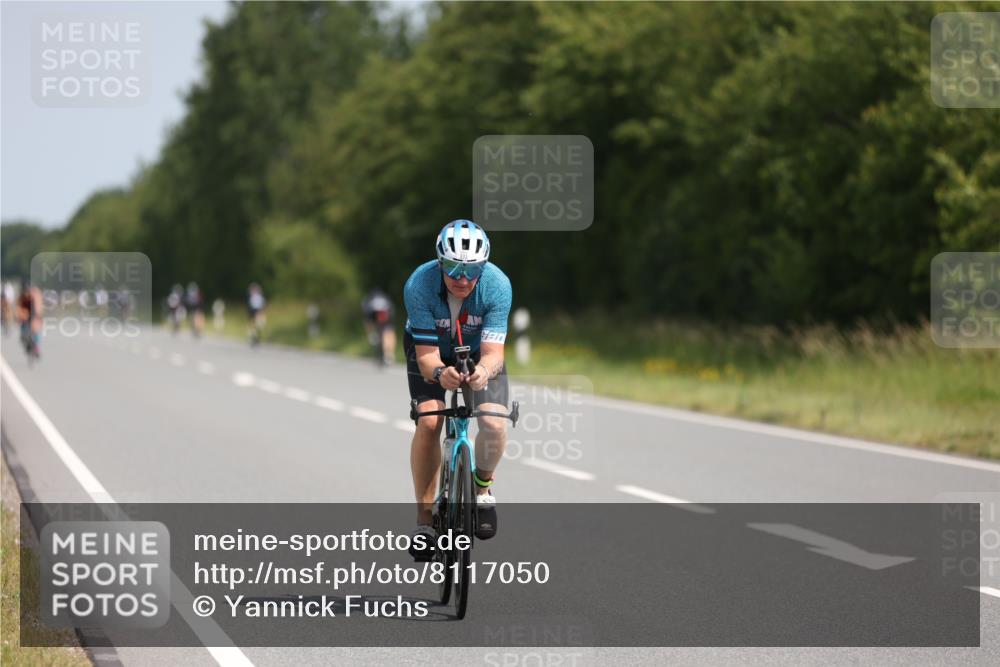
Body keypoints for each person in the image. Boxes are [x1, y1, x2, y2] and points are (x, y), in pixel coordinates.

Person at [403, 219, 512, 558]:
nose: (463, 279)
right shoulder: (419, 284)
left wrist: (482, 371)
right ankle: (424, 521)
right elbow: (427, 358)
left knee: (494, 422)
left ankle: (482, 487)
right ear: (439, 262)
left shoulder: (497, 285)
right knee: (430, 420)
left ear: (484, 265)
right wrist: (439, 373)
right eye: (453, 268)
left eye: (472, 269)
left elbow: (494, 354)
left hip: (478, 352)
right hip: (431, 351)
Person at [361, 287, 396, 365]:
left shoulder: (368, 299)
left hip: (373, 314)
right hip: (387, 314)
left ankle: (372, 336)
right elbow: (392, 311)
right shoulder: (385, 298)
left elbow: (366, 317)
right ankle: (389, 355)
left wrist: (370, 332)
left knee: (368, 323)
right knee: (389, 332)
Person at [15, 279, 43, 359]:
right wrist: (18, 316)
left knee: (36, 331)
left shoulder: (36, 293)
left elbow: (38, 306)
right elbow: (18, 307)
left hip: (34, 313)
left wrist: (38, 315)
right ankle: (26, 341)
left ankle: (36, 347)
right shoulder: (21, 295)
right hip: (25, 314)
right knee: (23, 333)